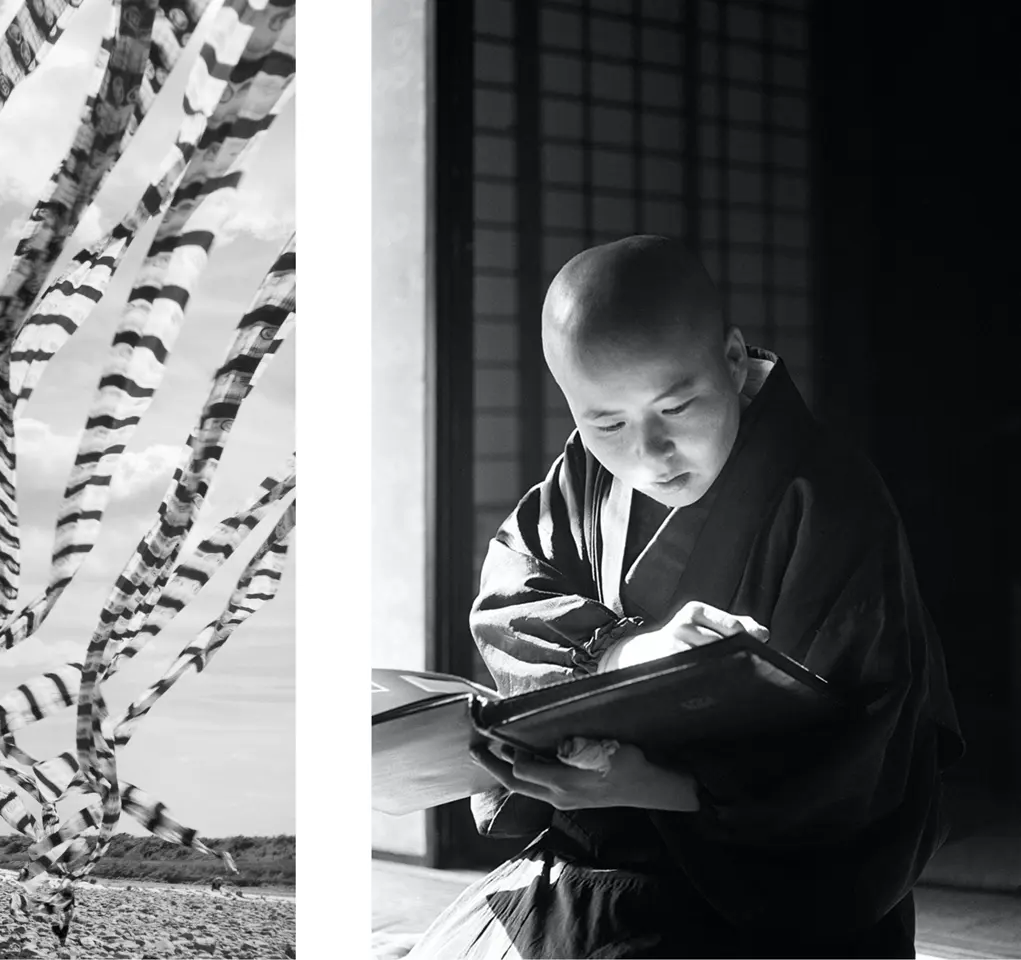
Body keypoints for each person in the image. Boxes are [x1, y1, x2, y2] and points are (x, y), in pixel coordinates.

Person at [407, 236, 962, 959]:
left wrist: (661, 785)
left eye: (677, 406)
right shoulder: (583, 478)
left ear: (732, 359)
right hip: (600, 860)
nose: (650, 452)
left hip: (770, 887)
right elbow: (515, 592)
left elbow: (868, 755)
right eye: (606, 423)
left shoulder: (830, 504)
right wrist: (626, 651)